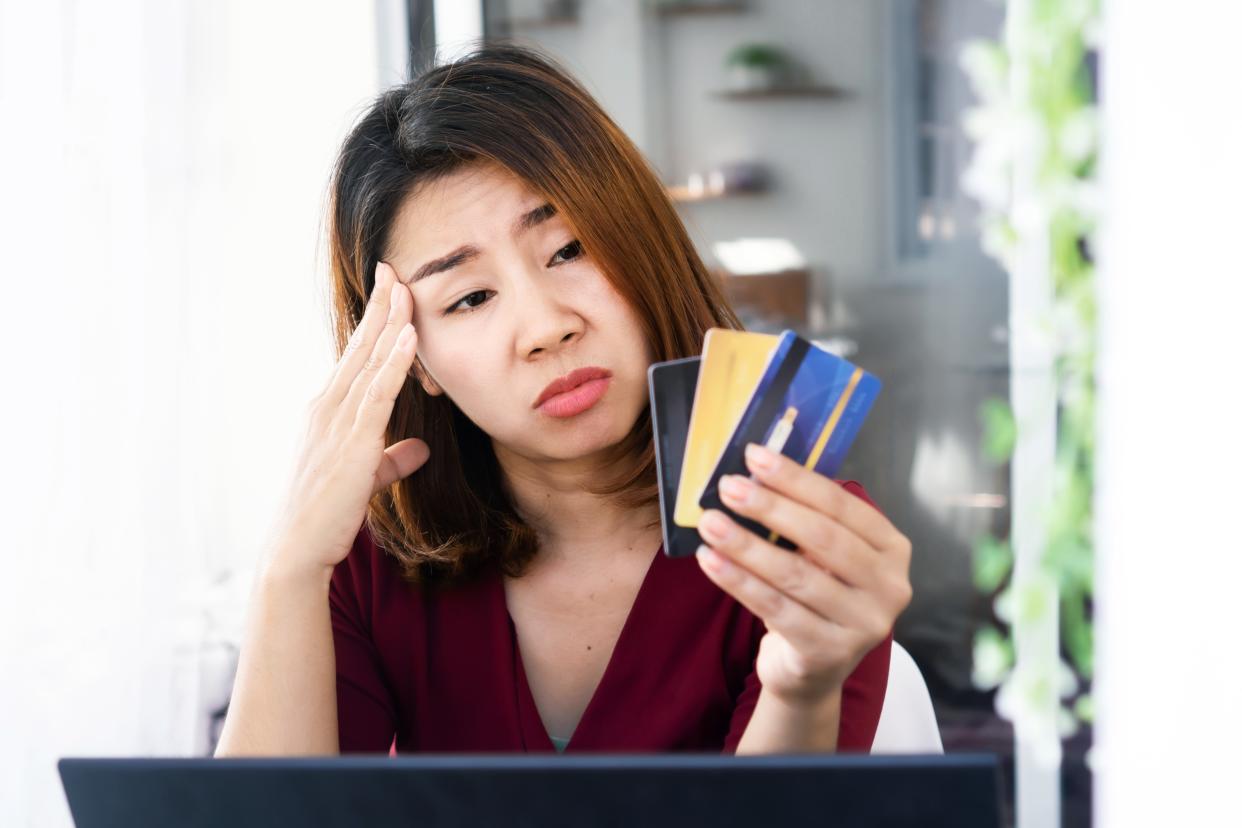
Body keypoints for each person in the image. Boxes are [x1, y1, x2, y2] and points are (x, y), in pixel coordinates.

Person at [214, 43, 912, 758]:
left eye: (570, 249)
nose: (547, 328)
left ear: (642, 245)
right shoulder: (366, 567)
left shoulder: (807, 547)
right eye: (471, 297)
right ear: (412, 358)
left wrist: (802, 686)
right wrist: (289, 569)